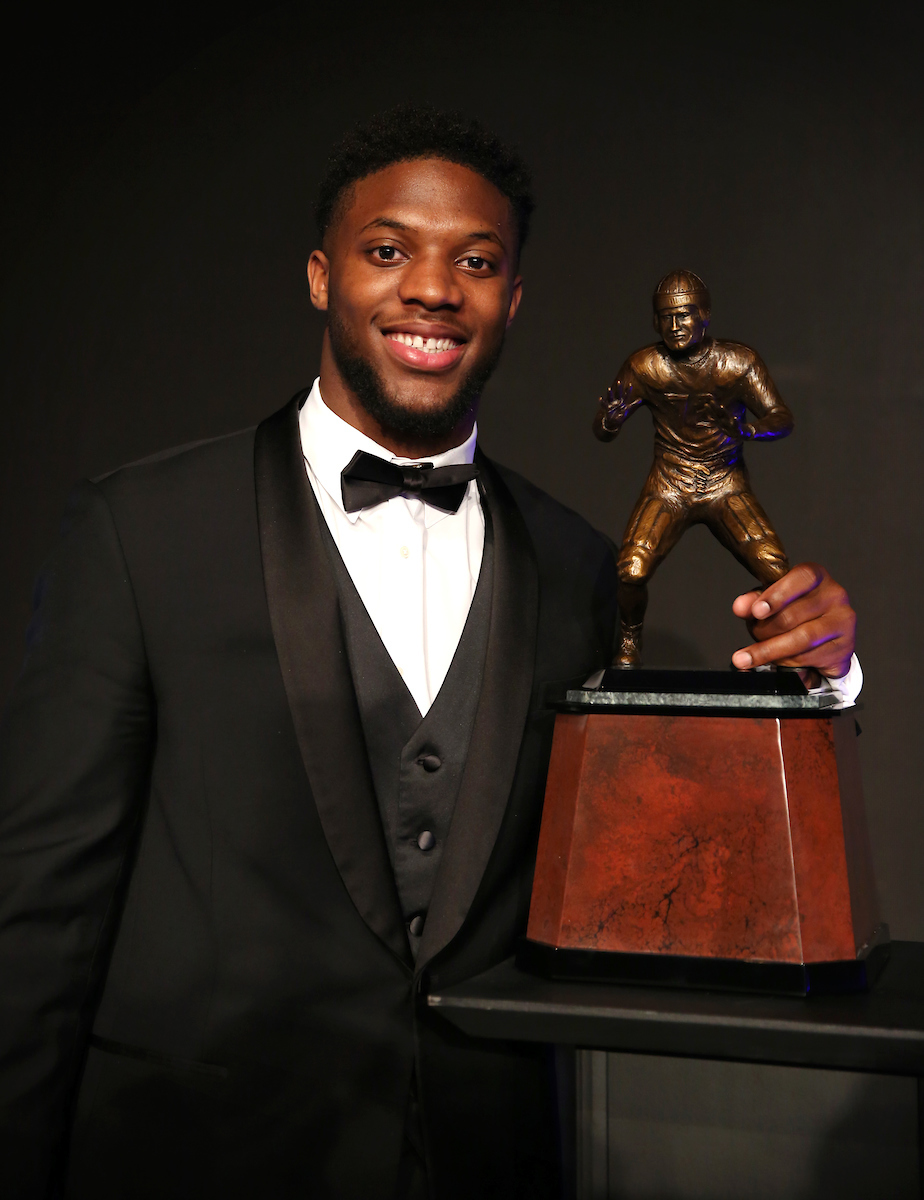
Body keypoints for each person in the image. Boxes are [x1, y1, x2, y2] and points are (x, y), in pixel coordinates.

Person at [0, 107, 858, 1199]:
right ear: (322, 277)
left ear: (513, 299)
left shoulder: (578, 567)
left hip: (490, 1159)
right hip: (198, 1156)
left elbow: (666, 860)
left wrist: (825, 672)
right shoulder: (140, 533)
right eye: (388, 250)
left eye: (477, 261)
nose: (434, 289)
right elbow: (41, 913)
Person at [594, 270, 820, 668]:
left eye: (684, 314)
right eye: (666, 317)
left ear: (705, 315)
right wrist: (610, 421)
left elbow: (781, 417)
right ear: (655, 322)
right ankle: (629, 641)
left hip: (724, 482)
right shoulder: (646, 366)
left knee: (774, 568)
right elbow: (603, 429)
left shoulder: (738, 362)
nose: (675, 325)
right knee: (631, 569)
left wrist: (747, 430)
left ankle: (780, 650)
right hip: (670, 483)